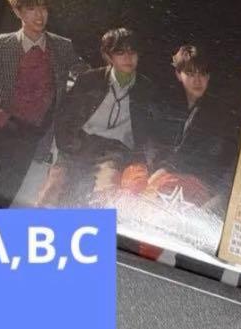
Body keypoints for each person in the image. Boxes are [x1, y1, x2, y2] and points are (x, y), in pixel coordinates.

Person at [0, 0, 86, 206]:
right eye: (31, 9)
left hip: (30, 140)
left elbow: (86, 76)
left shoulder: (62, 47)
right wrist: (1, 116)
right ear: (18, 12)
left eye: (43, 8)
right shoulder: (3, 43)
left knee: (0, 203)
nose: (39, 15)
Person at [36, 27, 158, 206]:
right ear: (108, 56)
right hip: (79, 143)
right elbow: (64, 116)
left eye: (132, 52)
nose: (128, 58)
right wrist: (70, 145)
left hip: (114, 151)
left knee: (105, 193)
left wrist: (140, 158)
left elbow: (149, 130)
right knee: (52, 190)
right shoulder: (90, 79)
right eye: (120, 53)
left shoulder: (145, 89)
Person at [123, 44, 239, 207]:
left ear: (208, 76)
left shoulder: (215, 112)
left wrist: (158, 175)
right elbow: (148, 141)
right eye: (190, 74)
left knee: (155, 192)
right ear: (178, 74)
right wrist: (147, 171)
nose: (197, 80)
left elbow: (191, 157)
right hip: (157, 167)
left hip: (192, 178)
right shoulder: (165, 103)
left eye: (202, 73)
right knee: (129, 186)